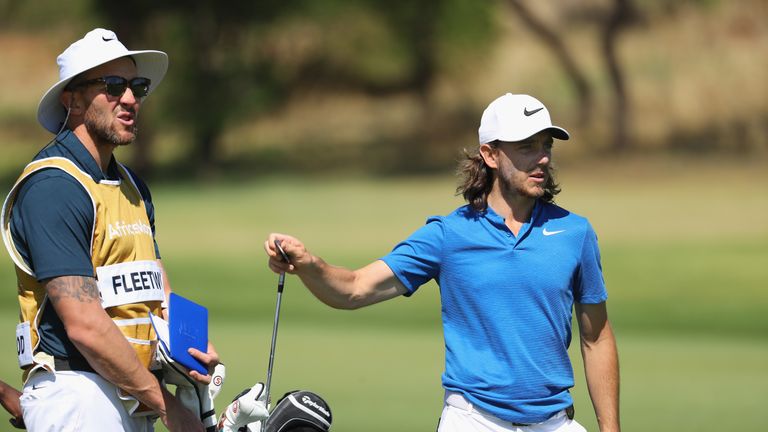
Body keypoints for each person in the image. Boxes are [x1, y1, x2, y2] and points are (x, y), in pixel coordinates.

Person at [264, 93, 620, 432]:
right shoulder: (449, 234)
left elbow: (597, 338)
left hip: (554, 421)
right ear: (490, 155)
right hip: (473, 421)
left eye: (547, 146)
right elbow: (354, 289)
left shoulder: (574, 233)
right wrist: (308, 263)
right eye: (527, 146)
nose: (542, 158)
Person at [1, 28, 219, 431]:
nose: (131, 99)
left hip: (133, 395)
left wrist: (191, 349)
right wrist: (169, 408)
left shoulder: (132, 185)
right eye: (114, 86)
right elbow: (85, 325)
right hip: (78, 395)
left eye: (138, 87)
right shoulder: (53, 187)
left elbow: (157, 290)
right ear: (72, 99)